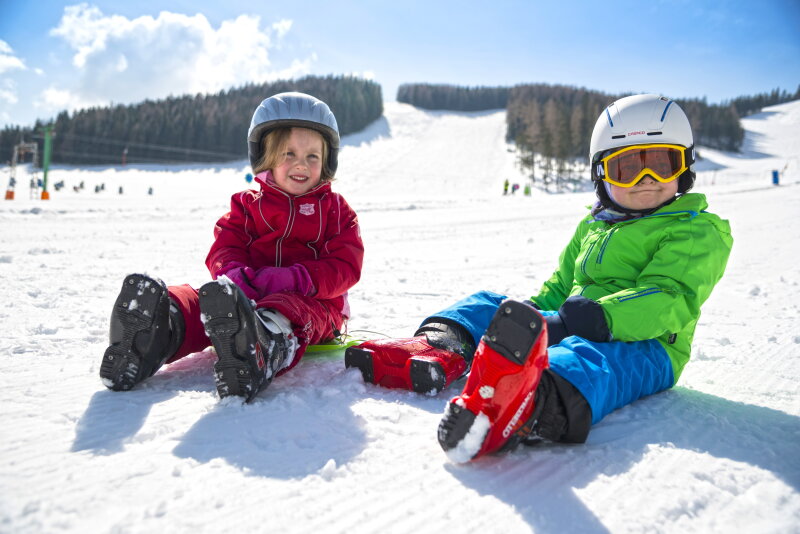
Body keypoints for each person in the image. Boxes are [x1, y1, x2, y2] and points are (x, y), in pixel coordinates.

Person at [345, 94, 732, 462]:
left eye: (662, 165)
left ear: (684, 168)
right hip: (580, 322)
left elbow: (669, 297)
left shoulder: (694, 230)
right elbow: (561, 286)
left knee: (587, 359)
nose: (646, 179)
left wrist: (597, 318)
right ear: (602, 176)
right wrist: (526, 316)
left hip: (650, 347)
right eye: (627, 168)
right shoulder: (593, 226)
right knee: (487, 304)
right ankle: (435, 350)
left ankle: (527, 404)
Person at [99, 92, 364, 402]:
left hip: (315, 305)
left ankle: (260, 346)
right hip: (248, 293)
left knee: (287, 308)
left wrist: (298, 279)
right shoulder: (247, 206)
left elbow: (346, 265)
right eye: (288, 153)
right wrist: (233, 273)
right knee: (208, 301)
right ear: (266, 156)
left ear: (327, 160)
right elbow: (226, 244)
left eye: (312, 156)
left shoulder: (335, 211)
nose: (300, 165)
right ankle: (159, 329)